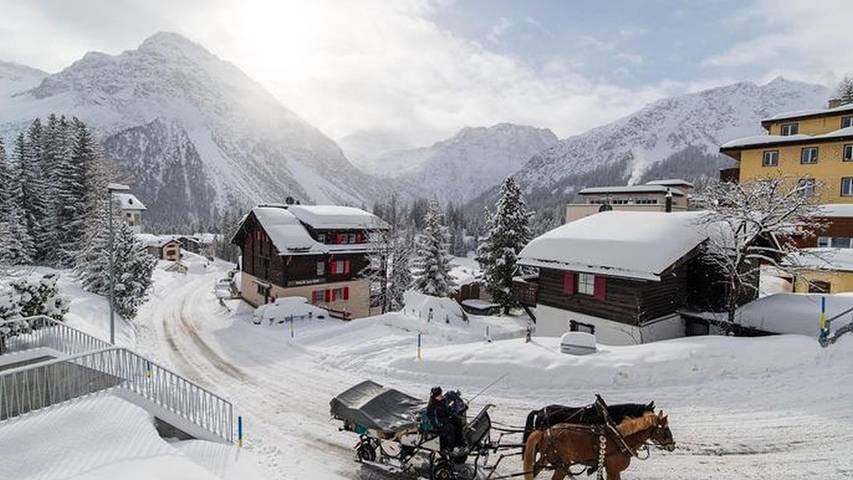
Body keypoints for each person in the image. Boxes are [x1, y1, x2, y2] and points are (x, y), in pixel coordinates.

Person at [427, 387, 466, 453]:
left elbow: (447, 409)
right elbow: (431, 417)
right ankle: (449, 447)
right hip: (439, 422)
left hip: (446, 418)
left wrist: (452, 412)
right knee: (450, 428)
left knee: (457, 421)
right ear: (435, 396)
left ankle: (459, 443)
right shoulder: (432, 405)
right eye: (439, 395)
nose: (441, 396)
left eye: (441, 394)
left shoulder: (442, 400)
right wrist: (438, 424)